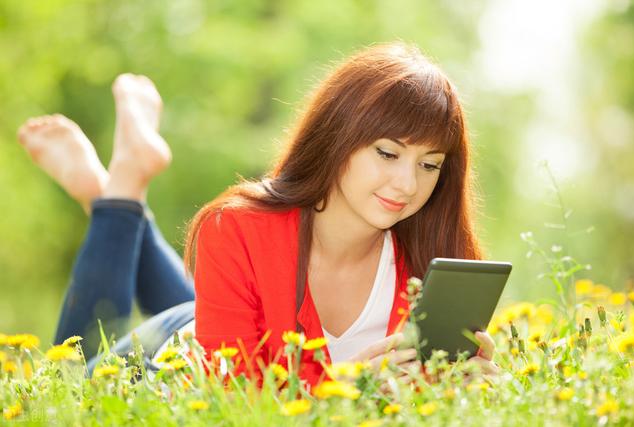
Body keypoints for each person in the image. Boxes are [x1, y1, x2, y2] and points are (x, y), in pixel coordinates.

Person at [17, 41, 498, 390]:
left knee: (242, 310)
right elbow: (234, 403)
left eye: (429, 164)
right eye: (388, 153)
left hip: (237, 322)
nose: (407, 185)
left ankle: (113, 199)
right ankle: (120, 191)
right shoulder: (239, 227)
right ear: (338, 135)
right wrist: (352, 395)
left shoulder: (430, 261)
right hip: (176, 362)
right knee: (64, 387)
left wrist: (468, 387)